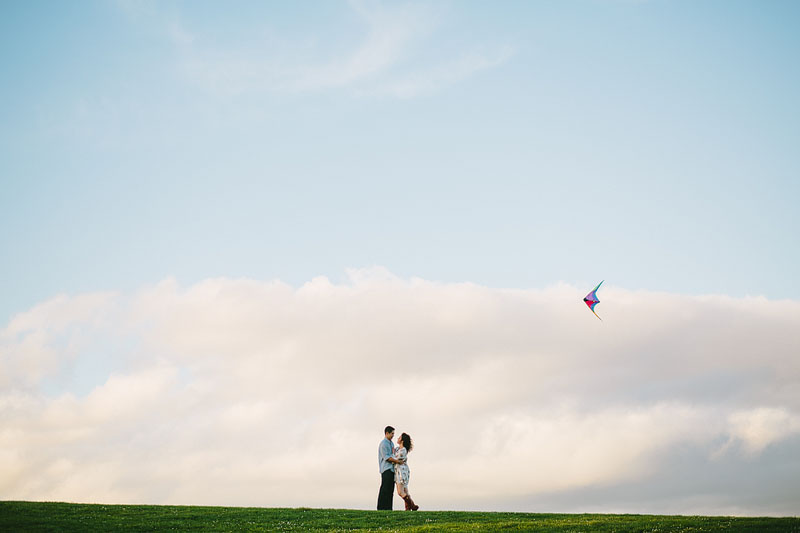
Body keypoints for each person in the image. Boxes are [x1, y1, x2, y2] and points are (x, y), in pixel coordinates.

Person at [377, 426, 403, 510]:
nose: (393, 435)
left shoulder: (391, 443)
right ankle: (381, 508)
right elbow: (387, 457)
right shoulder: (383, 444)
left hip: (392, 469)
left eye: (393, 434)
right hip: (386, 469)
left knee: (390, 490)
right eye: (392, 433)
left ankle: (388, 508)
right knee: (385, 489)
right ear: (387, 433)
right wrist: (398, 462)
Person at [393, 432, 419, 511]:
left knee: (400, 492)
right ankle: (408, 508)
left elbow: (394, 458)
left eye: (399, 437)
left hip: (401, 472)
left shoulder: (403, 450)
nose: (397, 438)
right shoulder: (398, 449)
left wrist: (392, 457)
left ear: (402, 441)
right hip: (400, 471)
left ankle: (412, 505)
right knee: (405, 491)